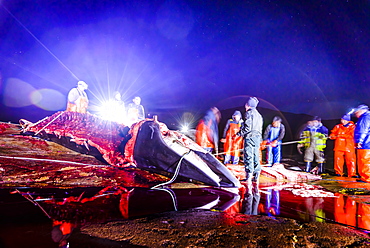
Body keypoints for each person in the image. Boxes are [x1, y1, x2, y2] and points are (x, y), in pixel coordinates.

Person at [236, 97, 263, 183]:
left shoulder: (249, 113)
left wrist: (239, 134)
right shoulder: (259, 115)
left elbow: (248, 128)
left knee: (248, 156)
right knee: (256, 156)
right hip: (257, 138)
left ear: (248, 105)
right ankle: (256, 176)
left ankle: (248, 177)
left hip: (250, 137)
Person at [354, 104, 370, 183]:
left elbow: (363, 130)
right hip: (366, 142)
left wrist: (359, 141)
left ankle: (367, 178)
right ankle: (363, 176)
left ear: (361, 110)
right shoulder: (365, 117)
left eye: (356, 112)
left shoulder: (365, 117)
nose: (355, 114)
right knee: (362, 160)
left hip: (366, 143)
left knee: (365, 160)